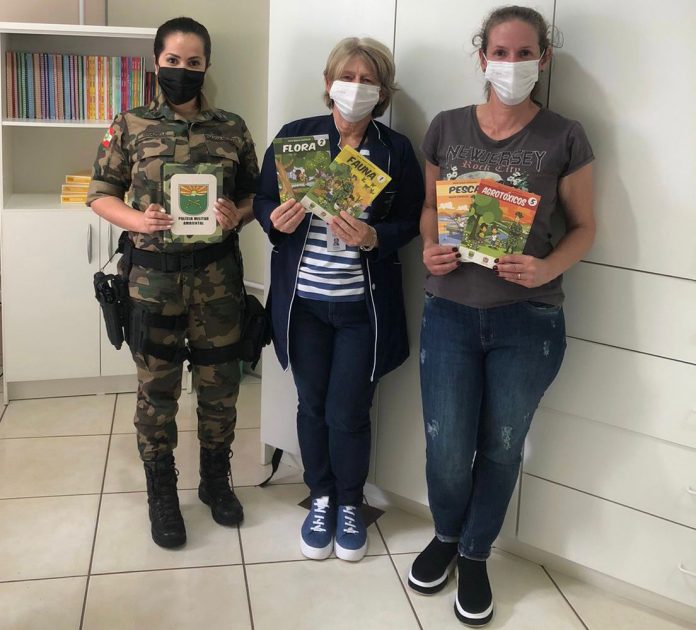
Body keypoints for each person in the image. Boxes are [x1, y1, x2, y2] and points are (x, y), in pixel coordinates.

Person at [409, 6, 595, 626]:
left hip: (528, 319)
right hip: (449, 312)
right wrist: (430, 246)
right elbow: (430, 208)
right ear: (481, 56)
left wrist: (546, 268)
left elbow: (585, 227)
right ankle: (445, 534)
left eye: (524, 53)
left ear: (543, 58)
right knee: (445, 446)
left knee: (502, 445)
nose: (511, 64)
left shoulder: (566, 135)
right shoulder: (446, 126)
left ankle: (475, 551)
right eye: (500, 52)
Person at [87, 17, 259, 548]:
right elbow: (100, 194)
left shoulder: (231, 127)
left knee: (220, 386)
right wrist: (138, 221)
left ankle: (214, 480)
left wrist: (236, 214)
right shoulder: (130, 124)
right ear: (157, 62)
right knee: (156, 390)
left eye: (194, 62)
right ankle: (162, 491)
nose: (183, 70)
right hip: (152, 282)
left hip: (217, 280)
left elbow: (256, 196)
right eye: (173, 60)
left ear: (206, 65)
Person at [254, 37, 424, 562]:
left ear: (383, 92)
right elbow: (262, 198)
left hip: (360, 309)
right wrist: (274, 221)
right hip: (303, 304)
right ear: (328, 84)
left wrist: (375, 236)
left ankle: (350, 501)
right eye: (346, 77)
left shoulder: (394, 150)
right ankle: (321, 497)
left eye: (367, 79)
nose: (355, 87)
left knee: (348, 411)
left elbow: (412, 219)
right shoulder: (297, 137)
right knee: (311, 404)